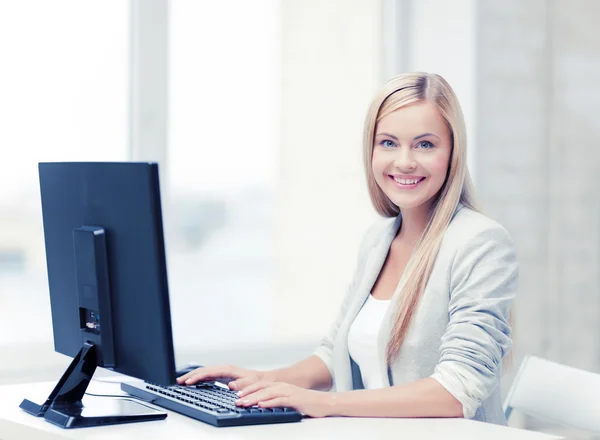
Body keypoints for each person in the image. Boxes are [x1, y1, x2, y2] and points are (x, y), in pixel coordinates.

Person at [177, 72, 518, 425]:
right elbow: (333, 353)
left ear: (453, 153)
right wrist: (265, 380)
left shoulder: (481, 243)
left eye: (425, 144)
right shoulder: (379, 240)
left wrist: (325, 403)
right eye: (388, 143)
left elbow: (457, 390)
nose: (404, 161)